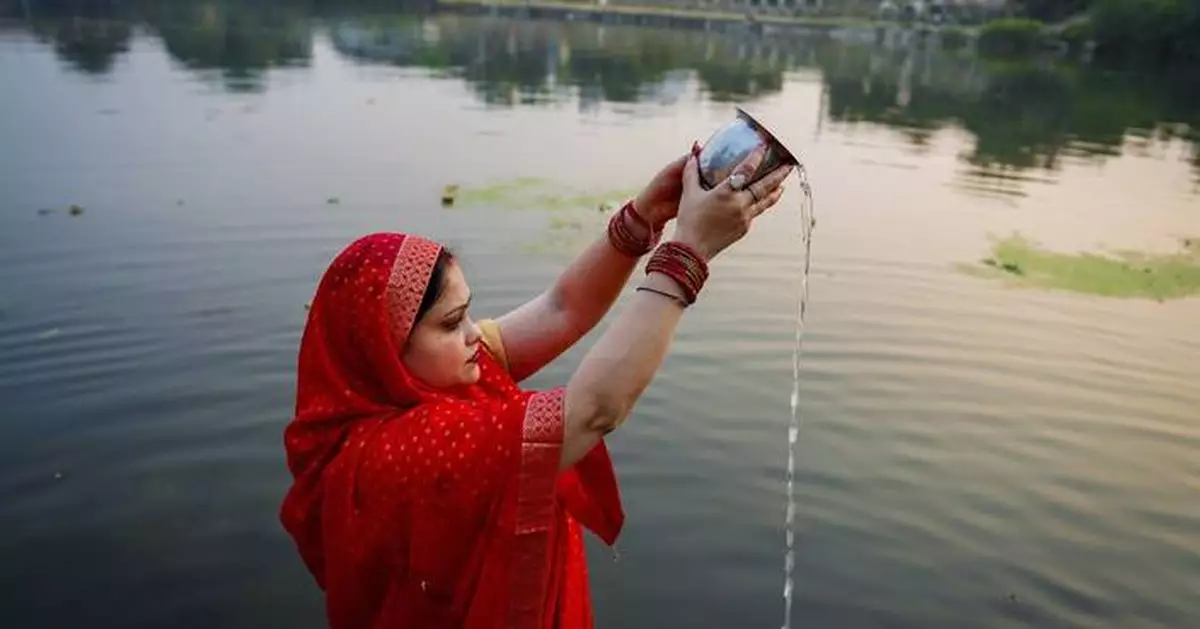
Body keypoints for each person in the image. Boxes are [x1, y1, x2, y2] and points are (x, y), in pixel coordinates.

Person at [280, 144, 794, 629]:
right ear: (382, 349)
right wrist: (690, 251)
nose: (473, 334)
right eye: (451, 322)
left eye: (467, 314)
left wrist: (643, 218)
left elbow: (561, 308)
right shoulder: (397, 452)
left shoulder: (429, 382)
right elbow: (594, 409)